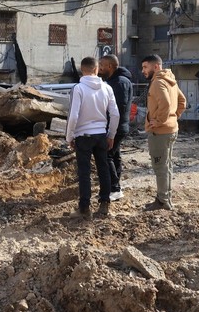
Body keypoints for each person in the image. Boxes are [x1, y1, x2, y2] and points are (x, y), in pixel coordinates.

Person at [66, 57, 120, 219]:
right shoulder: (107, 87)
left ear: (82, 70)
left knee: (84, 172)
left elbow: (73, 116)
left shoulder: (79, 88)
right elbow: (115, 114)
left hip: (83, 135)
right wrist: (111, 134)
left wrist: (69, 137)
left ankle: (84, 208)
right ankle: (104, 204)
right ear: (96, 69)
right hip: (101, 135)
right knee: (103, 169)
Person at [141, 54, 186, 211]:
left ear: (156, 67)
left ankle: (162, 201)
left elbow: (166, 104)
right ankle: (165, 198)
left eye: (145, 67)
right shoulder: (170, 80)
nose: (143, 71)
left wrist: (160, 121)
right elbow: (182, 102)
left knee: (160, 166)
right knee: (166, 166)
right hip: (170, 129)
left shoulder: (158, 82)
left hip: (160, 132)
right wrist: (173, 118)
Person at [98, 54, 133, 201]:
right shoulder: (115, 81)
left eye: (102, 66)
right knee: (115, 155)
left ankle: (115, 188)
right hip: (117, 126)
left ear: (110, 67)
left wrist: (110, 131)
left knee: (107, 156)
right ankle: (115, 187)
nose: (99, 69)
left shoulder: (118, 83)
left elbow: (117, 109)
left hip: (116, 127)